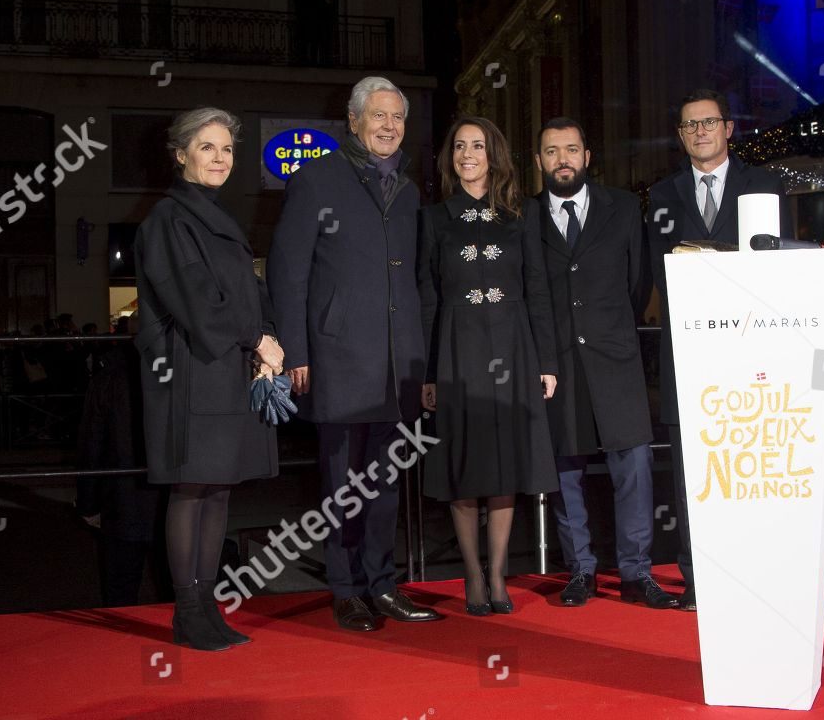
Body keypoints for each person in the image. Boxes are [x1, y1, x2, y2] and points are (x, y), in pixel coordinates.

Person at [268, 77, 439, 632]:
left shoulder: (411, 190)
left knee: (386, 484)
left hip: (397, 365)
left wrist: (423, 360)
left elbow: (416, 278)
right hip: (337, 358)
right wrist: (295, 348)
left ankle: (382, 585)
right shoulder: (315, 179)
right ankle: (345, 590)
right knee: (341, 484)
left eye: (398, 118)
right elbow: (287, 271)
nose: (389, 127)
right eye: (379, 116)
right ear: (354, 119)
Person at [135, 107, 284, 651]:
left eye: (226, 149)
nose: (220, 158)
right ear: (180, 155)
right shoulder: (169, 220)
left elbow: (251, 290)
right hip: (190, 374)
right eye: (207, 148)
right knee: (191, 489)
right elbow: (198, 303)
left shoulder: (213, 216)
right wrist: (256, 338)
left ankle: (206, 606)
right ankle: (187, 610)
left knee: (217, 488)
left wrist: (267, 339)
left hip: (224, 370)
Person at [646, 88, 791, 611]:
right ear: (681, 136)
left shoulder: (765, 186)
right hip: (687, 354)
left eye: (709, 123)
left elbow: (782, 271)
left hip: (750, 355)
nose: (700, 132)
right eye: (690, 126)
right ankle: (697, 581)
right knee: (693, 475)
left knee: (751, 467)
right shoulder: (661, 195)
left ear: (729, 129)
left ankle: (757, 576)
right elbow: (650, 274)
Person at [532, 118, 678, 610]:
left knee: (634, 464)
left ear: (587, 155)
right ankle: (581, 571)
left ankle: (637, 572)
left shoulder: (622, 208)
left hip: (616, 357)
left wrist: (610, 329)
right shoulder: (524, 216)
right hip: (556, 364)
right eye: (552, 152)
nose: (562, 159)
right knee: (565, 470)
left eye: (571, 149)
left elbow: (637, 284)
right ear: (539, 162)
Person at [419, 116, 559, 616]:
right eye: (459, 146)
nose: (467, 154)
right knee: (463, 467)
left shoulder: (522, 216)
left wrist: (546, 360)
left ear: (493, 154)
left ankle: (498, 573)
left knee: (502, 465)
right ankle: (471, 576)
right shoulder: (434, 219)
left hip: (514, 347)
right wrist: (429, 371)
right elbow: (427, 298)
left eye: (477, 145)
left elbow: (538, 289)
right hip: (457, 351)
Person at [77, 316, 170, 607]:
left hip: (120, 502)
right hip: (170, 502)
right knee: (174, 589)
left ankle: (119, 649)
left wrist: (88, 504)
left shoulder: (106, 379)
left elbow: (91, 446)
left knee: (120, 591)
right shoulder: (175, 376)